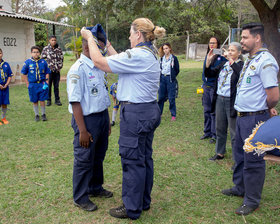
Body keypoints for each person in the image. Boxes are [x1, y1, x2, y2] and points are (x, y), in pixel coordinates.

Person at [81, 17, 166, 220]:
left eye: (130, 33)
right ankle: (143, 201)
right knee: (144, 158)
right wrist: (107, 43)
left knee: (132, 161)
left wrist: (89, 38)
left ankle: (131, 207)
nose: (128, 37)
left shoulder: (138, 54)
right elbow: (121, 59)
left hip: (136, 114)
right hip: (148, 111)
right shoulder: (150, 52)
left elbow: (100, 62)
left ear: (138, 34)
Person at [221, 23, 279, 216]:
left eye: (245, 37)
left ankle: (252, 200)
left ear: (257, 38)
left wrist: (267, 108)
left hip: (255, 118)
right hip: (242, 116)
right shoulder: (251, 58)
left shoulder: (266, 61)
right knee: (239, 154)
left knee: (253, 159)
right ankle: (240, 187)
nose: (242, 41)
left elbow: (273, 94)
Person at [67, 24, 114, 212]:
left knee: (98, 156)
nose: (101, 49)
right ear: (87, 46)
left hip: (101, 117)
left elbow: (102, 94)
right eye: (98, 45)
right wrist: (83, 130)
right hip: (86, 120)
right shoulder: (77, 69)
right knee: (84, 158)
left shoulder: (98, 65)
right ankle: (80, 196)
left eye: (102, 45)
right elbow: (75, 101)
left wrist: (107, 121)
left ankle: (95, 187)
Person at [208, 42, 244, 161]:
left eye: (232, 51)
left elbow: (239, 74)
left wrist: (231, 60)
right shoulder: (224, 64)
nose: (229, 52)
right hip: (220, 98)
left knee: (234, 131)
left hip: (231, 101)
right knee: (220, 127)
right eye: (228, 50)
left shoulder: (241, 65)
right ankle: (220, 152)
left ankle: (237, 158)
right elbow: (210, 73)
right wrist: (209, 61)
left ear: (239, 53)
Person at [200, 37, 227, 144]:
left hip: (214, 86)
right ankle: (207, 132)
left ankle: (214, 134)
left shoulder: (221, 57)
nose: (211, 45)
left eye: (214, 43)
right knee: (206, 110)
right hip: (206, 86)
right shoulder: (208, 55)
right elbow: (204, 71)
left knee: (213, 111)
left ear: (217, 44)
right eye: (210, 43)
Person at [21, 46, 50, 122]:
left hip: (42, 84)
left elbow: (47, 72)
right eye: (34, 52)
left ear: (39, 53)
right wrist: (27, 83)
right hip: (33, 85)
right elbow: (24, 73)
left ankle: (43, 114)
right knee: (34, 100)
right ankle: (36, 114)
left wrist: (47, 81)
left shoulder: (43, 62)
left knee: (42, 100)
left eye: (37, 52)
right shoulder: (27, 62)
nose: (36, 53)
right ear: (31, 53)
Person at [158, 43, 180, 121]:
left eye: (166, 48)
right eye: (164, 49)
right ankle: (159, 114)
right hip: (162, 79)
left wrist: (172, 76)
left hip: (170, 79)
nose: (165, 50)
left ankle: (173, 115)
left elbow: (177, 70)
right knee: (161, 97)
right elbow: (160, 69)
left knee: (171, 98)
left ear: (170, 48)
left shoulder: (174, 58)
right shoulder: (161, 59)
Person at [41, 35, 64, 106]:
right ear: (49, 41)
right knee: (49, 86)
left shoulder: (59, 49)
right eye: (52, 40)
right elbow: (42, 60)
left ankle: (57, 100)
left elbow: (61, 59)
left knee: (56, 86)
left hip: (56, 71)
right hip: (49, 72)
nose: (53, 41)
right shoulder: (46, 49)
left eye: (55, 40)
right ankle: (48, 100)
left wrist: (59, 68)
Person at [0, 48, 13, 125]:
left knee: (4, 103)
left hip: (5, 88)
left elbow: (9, 75)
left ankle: (3, 118)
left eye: (0, 53)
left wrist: (6, 84)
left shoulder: (6, 64)